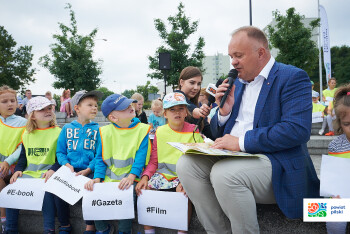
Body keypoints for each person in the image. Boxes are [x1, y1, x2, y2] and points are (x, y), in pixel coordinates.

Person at [176, 26, 320, 234]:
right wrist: (224, 113)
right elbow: (218, 131)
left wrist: (241, 142)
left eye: (238, 55)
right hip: (235, 159)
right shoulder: (238, 83)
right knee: (187, 164)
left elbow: (297, 130)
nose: (233, 62)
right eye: (230, 56)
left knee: (224, 174)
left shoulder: (292, 77)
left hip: (276, 164)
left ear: (261, 53)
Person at [135, 92, 203, 234]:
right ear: (165, 114)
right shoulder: (159, 131)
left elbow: (199, 161)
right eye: (172, 109)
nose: (177, 112)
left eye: (181, 109)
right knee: (145, 190)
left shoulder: (194, 131)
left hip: (185, 177)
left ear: (186, 112)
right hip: (163, 175)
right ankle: (149, 232)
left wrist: (186, 181)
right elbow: (154, 161)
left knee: (184, 193)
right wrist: (145, 177)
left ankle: (182, 232)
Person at [85, 93, 151, 234]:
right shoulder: (105, 132)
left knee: (126, 197)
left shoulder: (142, 130)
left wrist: (131, 177)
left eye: (129, 104)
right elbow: (100, 159)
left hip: (131, 178)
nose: (130, 107)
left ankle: (124, 231)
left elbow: (140, 159)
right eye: (124, 108)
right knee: (93, 193)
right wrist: (97, 178)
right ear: (113, 117)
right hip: (109, 178)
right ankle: (103, 229)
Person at [6, 96, 71, 234]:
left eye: (49, 108)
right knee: (11, 190)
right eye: (41, 109)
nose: (47, 111)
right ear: (32, 115)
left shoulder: (59, 132)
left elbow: (62, 156)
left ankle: (49, 229)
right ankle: (10, 229)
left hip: (49, 174)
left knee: (47, 193)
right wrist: (18, 170)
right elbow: (23, 156)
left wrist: (53, 170)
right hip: (29, 174)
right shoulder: (27, 134)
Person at [56, 90, 102, 234]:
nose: (95, 108)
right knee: (57, 191)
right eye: (90, 105)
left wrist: (89, 169)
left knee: (90, 191)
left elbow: (100, 154)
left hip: (89, 171)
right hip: (70, 170)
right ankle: (64, 225)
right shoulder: (66, 129)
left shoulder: (99, 130)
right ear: (77, 108)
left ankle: (90, 226)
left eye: (96, 105)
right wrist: (67, 165)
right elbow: (60, 152)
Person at [0, 86, 27, 233]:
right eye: (4, 101)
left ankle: (4, 220)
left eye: (13, 100)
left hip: (15, 164)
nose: (10, 104)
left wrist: (8, 161)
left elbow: (22, 148)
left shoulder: (23, 122)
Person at [324, 84, 350, 234]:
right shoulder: (335, 145)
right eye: (347, 124)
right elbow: (333, 179)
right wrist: (334, 197)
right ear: (340, 123)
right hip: (343, 197)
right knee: (332, 214)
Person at [174, 66, 213, 140]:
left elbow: (209, 131)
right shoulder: (174, 97)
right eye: (192, 83)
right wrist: (199, 112)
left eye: (199, 84)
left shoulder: (195, 104)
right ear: (181, 82)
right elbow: (187, 106)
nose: (196, 87)